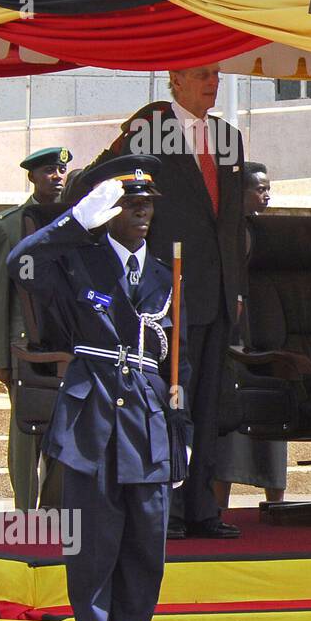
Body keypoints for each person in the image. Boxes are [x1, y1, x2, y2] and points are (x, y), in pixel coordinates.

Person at [9, 156, 191, 621]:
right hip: (94, 416)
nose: (140, 212)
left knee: (144, 547)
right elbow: (19, 264)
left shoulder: (164, 274)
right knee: (94, 548)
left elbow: (177, 362)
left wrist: (179, 429)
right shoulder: (74, 262)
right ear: (104, 212)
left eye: (147, 205)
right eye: (128, 204)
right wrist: (72, 224)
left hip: (150, 419)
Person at [84, 65, 245, 540]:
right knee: (170, 398)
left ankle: (202, 509)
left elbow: (234, 223)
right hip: (168, 290)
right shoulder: (150, 130)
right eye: (200, 75)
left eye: (215, 74)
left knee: (209, 403)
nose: (211, 83)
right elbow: (116, 197)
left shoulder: (228, 137)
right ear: (174, 78)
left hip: (218, 292)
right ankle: (166, 510)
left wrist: (237, 289)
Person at [0, 146, 71, 509]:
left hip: (67, 342)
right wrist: (2, 358)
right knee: (26, 431)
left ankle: (54, 508)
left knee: (63, 426)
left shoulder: (74, 221)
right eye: (49, 171)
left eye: (61, 170)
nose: (57, 177)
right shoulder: (7, 225)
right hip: (25, 344)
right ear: (32, 177)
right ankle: (25, 508)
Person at [213, 162, 288, 506]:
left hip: (266, 335)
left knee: (273, 426)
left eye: (268, 188)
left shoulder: (271, 234)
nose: (266, 194)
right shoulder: (224, 229)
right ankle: (217, 507)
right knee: (228, 432)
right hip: (231, 340)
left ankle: (276, 505)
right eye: (258, 188)